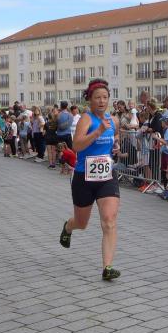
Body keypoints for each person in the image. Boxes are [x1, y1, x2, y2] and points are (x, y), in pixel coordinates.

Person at [58, 78, 121, 281]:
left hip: (106, 176)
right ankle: (68, 227)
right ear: (90, 100)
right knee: (81, 223)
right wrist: (98, 132)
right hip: (84, 177)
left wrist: (116, 147)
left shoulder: (114, 120)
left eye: (105, 97)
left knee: (109, 220)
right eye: (97, 97)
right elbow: (76, 146)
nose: (102, 101)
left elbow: (114, 139)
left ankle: (107, 267)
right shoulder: (86, 119)